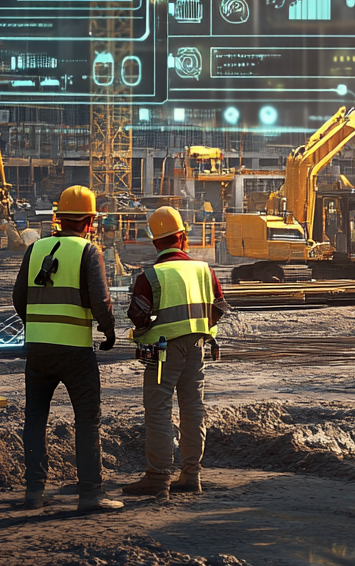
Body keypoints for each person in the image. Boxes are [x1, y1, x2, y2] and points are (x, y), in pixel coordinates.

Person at [12, 185, 123, 513]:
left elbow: (19, 298)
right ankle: (90, 494)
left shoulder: (35, 250)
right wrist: (109, 331)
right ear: (90, 220)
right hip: (75, 352)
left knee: (34, 418)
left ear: (58, 218)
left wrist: (38, 325)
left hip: (38, 352)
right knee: (87, 420)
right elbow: (101, 301)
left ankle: (34, 493)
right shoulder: (89, 252)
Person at [122, 206, 228, 499]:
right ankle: (191, 476)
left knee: (158, 411)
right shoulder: (204, 271)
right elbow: (219, 306)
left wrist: (151, 327)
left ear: (155, 242)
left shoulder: (150, 276)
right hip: (197, 348)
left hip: (161, 352)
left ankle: (158, 478)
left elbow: (138, 315)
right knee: (193, 409)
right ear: (183, 238)